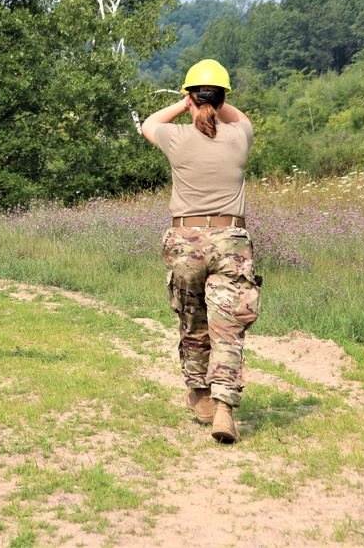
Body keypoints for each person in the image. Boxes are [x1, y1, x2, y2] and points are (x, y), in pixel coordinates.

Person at [141, 59, 261, 444]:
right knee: (228, 327)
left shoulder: (177, 137)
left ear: (190, 98)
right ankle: (224, 406)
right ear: (223, 96)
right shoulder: (239, 136)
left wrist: (184, 102)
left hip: (186, 241)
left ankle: (200, 393)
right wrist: (212, 100)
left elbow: (148, 123)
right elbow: (240, 117)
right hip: (231, 241)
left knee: (193, 321)